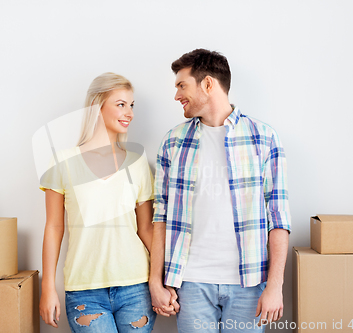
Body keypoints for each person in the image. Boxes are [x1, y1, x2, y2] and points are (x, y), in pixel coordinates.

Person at [149, 49, 291, 332]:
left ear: (208, 84)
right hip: (190, 284)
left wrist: (275, 286)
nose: (177, 95)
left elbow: (279, 218)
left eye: (181, 85)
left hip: (249, 284)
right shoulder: (173, 142)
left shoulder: (263, 137)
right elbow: (160, 216)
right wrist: (156, 281)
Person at [39, 72, 157, 332]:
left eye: (132, 105)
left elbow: (147, 229)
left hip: (136, 286)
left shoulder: (138, 163)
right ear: (97, 106)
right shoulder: (62, 163)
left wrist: (163, 281)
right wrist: (48, 287)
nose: (130, 113)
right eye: (121, 104)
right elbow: (54, 227)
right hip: (84, 291)